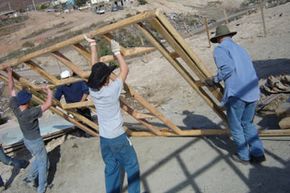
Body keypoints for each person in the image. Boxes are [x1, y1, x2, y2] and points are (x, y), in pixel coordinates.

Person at [84, 35, 140, 193]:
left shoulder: (93, 90)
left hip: (104, 138)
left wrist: (93, 45)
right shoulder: (111, 90)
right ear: (106, 78)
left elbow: (94, 68)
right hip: (117, 136)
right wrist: (117, 52)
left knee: (111, 167)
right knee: (132, 165)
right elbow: (125, 70)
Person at [207, 25, 266, 164]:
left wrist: (214, 79)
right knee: (248, 123)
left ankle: (244, 156)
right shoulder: (240, 49)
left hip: (237, 93)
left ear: (219, 38)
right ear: (229, 36)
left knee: (236, 126)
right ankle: (258, 154)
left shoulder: (220, 49)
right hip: (252, 91)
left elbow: (227, 68)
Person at [5, 66, 52, 193]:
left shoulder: (15, 106)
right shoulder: (31, 112)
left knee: (38, 158)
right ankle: (41, 188)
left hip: (27, 141)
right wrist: (49, 91)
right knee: (43, 163)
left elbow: (11, 88)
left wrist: (9, 74)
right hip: (36, 141)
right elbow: (48, 104)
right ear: (28, 102)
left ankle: (29, 177)